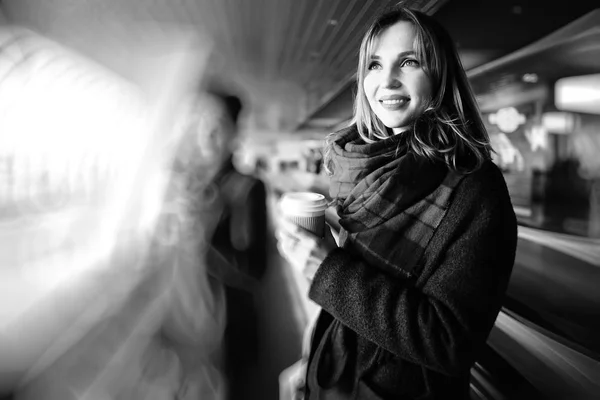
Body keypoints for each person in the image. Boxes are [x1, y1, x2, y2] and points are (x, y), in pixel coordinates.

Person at [276, 6, 517, 400]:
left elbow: (449, 341)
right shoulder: (365, 172)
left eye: (408, 62)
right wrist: (311, 359)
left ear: (439, 75)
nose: (385, 80)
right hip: (335, 375)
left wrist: (327, 268)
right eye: (373, 65)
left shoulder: (476, 187)